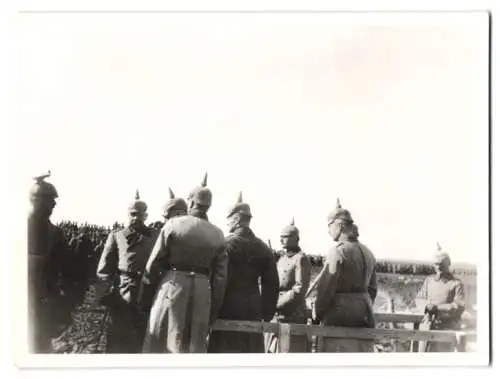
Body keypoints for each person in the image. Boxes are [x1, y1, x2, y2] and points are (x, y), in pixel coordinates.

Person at [140, 174, 228, 353]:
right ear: (208, 205)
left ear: (192, 203)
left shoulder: (173, 225)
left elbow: (153, 265)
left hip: (173, 286)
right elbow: (220, 280)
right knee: (194, 346)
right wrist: (212, 310)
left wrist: (145, 297)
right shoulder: (218, 234)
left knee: (162, 340)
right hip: (203, 291)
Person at [208, 192, 279, 353]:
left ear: (236, 219)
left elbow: (218, 279)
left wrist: (212, 310)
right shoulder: (263, 248)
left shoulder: (225, 244)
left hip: (226, 309)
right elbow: (272, 285)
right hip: (252, 311)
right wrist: (266, 314)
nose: (227, 223)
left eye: (229, 218)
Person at [96, 190, 157, 353]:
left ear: (146, 216)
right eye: (132, 214)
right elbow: (104, 269)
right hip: (123, 290)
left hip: (147, 291)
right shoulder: (117, 236)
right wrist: (105, 293)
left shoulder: (155, 237)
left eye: (140, 214)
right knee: (119, 335)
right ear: (128, 214)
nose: (136, 217)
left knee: (142, 335)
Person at [313, 199, 377, 352]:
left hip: (339, 317)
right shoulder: (368, 253)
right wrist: (363, 304)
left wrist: (317, 312)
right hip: (364, 315)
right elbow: (373, 289)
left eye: (330, 225)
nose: (328, 231)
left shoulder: (338, 251)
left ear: (340, 225)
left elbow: (326, 288)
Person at [27, 171, 71, 353]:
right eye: (49, 199)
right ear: (36, 200)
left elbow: (61, 271)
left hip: (43, 300)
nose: (54, 204)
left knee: (40, 345)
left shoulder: (55, 233)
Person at [265, 218, 312, 353]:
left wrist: (277, 303)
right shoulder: (282, 259)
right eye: (281, 237)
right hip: (277, 316)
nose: (281, 240)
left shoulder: (300, 259)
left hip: (293, 316)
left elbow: (299, 288)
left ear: (296, 239)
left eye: (285, 237)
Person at [417, 243, 466, 352]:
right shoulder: (429, 281)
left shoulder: (456, 284)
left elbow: (458, 306)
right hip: (427, 328)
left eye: (442, 263)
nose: (438, 266)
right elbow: (419, 298)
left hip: (446, 331)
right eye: (436, 264)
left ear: (448, 263)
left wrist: (437, 308)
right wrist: (426, 306)